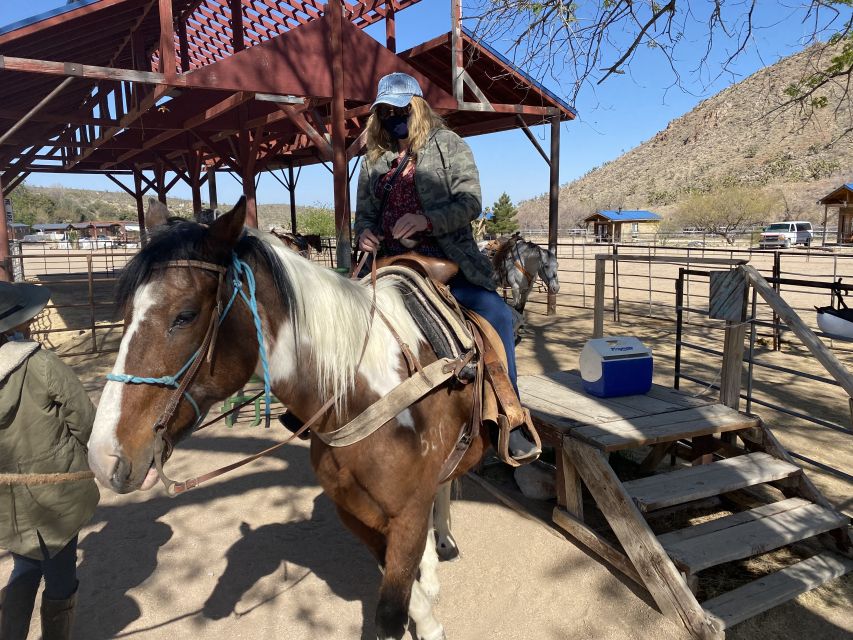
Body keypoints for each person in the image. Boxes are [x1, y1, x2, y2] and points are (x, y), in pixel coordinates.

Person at [354, 72, 539, 459]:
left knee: (496, 316)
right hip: (389, 261)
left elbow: (470, 202)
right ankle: (327, 404)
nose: (392, 116)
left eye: (400, 108)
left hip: (446, 260)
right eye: (385, 110)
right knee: (339, 310)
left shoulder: (449, 145)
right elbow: (364, 215)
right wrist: (365, 235)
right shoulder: (373, 158)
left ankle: (511, 416)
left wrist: (427, 220)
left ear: (417, 107)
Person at [0, 282, 99, 640]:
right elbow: (84, 419)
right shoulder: (39, 363)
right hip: (57, 490)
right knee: (59, 573)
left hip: (7, 501)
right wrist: (103, 461)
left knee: (24, 564)